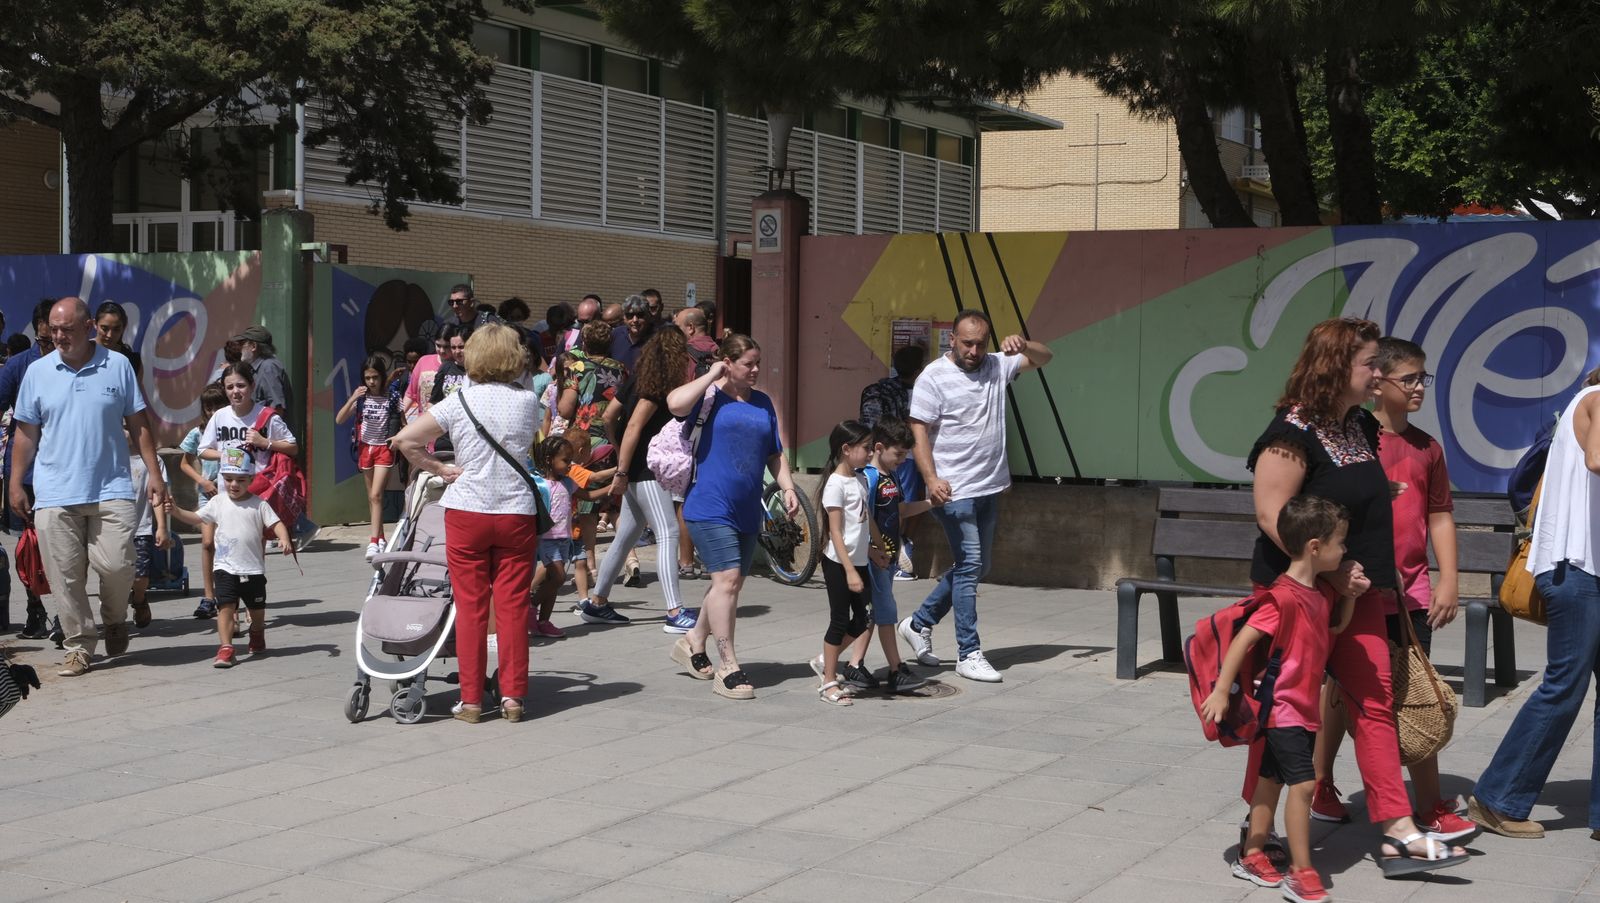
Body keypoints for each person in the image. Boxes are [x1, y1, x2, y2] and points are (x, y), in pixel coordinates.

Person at [1248, 316, 1467, 876]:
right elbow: (1272, 513)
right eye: (1370, 363)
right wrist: (1331, 567)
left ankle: (1396, 831)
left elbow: (1363, 494)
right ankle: (1258, 838)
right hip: (1298, 595)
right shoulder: (1291, 431)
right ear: (1335, 367)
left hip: (1361, 591)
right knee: (1286, 716)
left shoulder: (1360, 428)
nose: (1378, 373)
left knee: (1374, 701)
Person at [1310, 337, 1478, 841]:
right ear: (1377, 382)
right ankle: (1323, 786)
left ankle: (1427, 804)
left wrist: (1447, 578)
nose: (1419, 387)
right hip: (1354, 590)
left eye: (1422, 377)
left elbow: (1440, 514)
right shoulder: (1354, 444)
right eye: (1410, 378)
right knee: (1343, 688)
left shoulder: (1428, 448)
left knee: (1411, 691)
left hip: (1409, 596)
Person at [1204, 496, 1359, 901]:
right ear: (1314, 547)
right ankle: (1302, 872)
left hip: (1305, 710)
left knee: (1270, 780)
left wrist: (1352, 595)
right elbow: (1243, 639)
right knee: (1305, 785)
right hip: (1282, 710)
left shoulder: (1320, 593)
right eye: (1340, 543)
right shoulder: (1282, 597)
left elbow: (1336, 628)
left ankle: (1252, 852)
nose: (1344, 551)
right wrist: (1222, 690)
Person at [1470, 364, 1600, 841]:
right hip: (1575, 567)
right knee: (1565, 685)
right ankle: (1497, 797)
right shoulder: (1598, 397)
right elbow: (1597, 459)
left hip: (1590, 568)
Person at [391, 323, 541, 724]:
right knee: (511, 606)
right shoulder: (529, 402)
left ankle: (471, 700)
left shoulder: (458, 402)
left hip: (467, 509)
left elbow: (404, 441)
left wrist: (439, 466)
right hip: (515, 511)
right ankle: (512, 697)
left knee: (471, 606)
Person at [9, 297, 167, 678]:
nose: (57, 336)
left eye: (66, 329)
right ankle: (79, 644)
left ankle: (114, 619)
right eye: (52, 329)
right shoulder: (38, 372)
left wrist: (156, 475)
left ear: (89, 325)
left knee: (117, 565)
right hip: (54, 491)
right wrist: (14, 482)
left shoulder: (118, 366)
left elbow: (139, 423)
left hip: (111, 486)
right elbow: (26, 433)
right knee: (65, 576)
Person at [896, 310, 1052, 683]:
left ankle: (918, 625)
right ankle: (969, 652)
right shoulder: (933, 377)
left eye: (981, 343)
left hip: (989, 486)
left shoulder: (998, 365)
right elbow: (918, 432)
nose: (974, 350)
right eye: (967, 343)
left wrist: (1024, 343)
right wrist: (930, 479)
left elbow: (1046, 357)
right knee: (970, 565)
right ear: (952, 339)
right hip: (953, 491)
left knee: (977, 567)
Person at [667, 334, 800, 700]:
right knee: (726, 580)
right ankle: (728, 664)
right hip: (708, 504)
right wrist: (712, 375)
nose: (756, 370)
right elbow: (675, 404)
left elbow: (775, 453)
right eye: (748, 364)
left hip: (746, 507)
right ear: (728, 362)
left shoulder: (762, 403)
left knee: (731, 583)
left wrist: (787, 487)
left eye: (758, 363)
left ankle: (694, 639)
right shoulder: (709, 397)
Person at [589, 327, 695, 633]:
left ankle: (597, 603)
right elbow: (634, 425)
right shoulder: (657, 386)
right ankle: (674, 611)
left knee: (627, 535)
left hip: (637, 466)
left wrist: (622, 454)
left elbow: (609, 417)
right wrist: (622, 470)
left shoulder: (637, 379)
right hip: (649, 468)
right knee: (668, 531)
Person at [167, 448, 291, 668]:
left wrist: (284, 539)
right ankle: (226, 648)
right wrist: (176, 511)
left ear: (251, 478)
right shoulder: (218, 502)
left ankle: (257, 631)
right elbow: (196, 517)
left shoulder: (259, 504)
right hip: (224, 567)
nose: (234, 484)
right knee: (225, 606)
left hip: (252, 569)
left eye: (241, 480)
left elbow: (276, 523)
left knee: (257, 611)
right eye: (229, 479)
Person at [840, 418, 930, 694]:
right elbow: (860, 520)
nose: (903, 460)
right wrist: (872, 551)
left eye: (906, 454)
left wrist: (930, 503)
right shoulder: (868, 477)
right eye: (899, 454)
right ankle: (895, 669)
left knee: (872, 615)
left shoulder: (892, 476)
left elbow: (900, 511)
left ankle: (849, 663)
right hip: (873, 559)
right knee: (887, 613)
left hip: (886, 558)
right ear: (879, 447)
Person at [809, 420, 887, 706]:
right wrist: (851, 570)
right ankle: (829, 683)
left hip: (858, 562)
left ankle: (823, 661)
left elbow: (866, 521)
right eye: (866, 448)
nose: (870, 453)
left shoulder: (860, 479)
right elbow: (837, 534)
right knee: (840, 620)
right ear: (846, 449)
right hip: (838, 564)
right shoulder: (835, 485)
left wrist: (875, 548)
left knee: (865, 618)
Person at [527, 435, 612, 638]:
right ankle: (529, 605)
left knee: (553, 583)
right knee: (558, 577)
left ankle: (544, 621)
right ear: (549, 459)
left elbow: (589, 496)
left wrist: (611, 488)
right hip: (546, 539)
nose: (569, 465)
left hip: (564, 539)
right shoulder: (538, 484)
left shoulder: (568, 483)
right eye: (565, 460)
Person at [4, 299, 55, 641]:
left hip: (67, 472)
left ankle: (67, 614)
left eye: (54, 337)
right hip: (28, 472)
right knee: (29, 546)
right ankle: (35, 612)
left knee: (66, 544)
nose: (50, 345)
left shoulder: (81, 364)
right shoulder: (20, 365)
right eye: (43, 339)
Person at [860, 343, 929, 579]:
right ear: (919, 369)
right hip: (907, 457)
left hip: (880, 456)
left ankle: (893, 550)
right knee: (904, 503)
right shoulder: (919, 391)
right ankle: (901, 549)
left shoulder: (877, 389)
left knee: (893, 504)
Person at [336, 353, 403, 561]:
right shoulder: (362, 398)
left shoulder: (392, 397)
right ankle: (381, 537)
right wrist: (353, 398)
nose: (372, 382)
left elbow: (403, 422)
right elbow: (339, 419)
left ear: (382, 377)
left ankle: (373, 542)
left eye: (375, 377)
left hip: (384, 448)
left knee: (376, 495)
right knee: (372, 498)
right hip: (365, 448)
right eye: (368, 378)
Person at [179, 384, 230, 619]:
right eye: (208, 407)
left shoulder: (232, 429)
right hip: (208, 494)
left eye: (217, 406)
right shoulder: (197, 432)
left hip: (231, 492)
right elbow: (184, 463)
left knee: (228, 544)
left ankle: (230, 596)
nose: (212, 411)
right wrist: (203, 481)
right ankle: (209, 596)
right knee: (208, 543)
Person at [126, 426, 171, 629]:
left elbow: (158, 498)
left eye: (129, 427)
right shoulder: (109, 459)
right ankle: (114, 619)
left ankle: (139, 599)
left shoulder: (153, 462)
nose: (126, 432)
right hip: (112, 528)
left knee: (141, 576)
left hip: (141, 527)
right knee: (110, 574)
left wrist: (161, 527)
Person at [93, 301, 143, 379]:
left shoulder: (132, 361)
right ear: (95, 324)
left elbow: (137, 390)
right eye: (104, 328)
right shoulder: (80, 353)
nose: (109, 335)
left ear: (124, 327)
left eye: (116, 329)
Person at [404, 333, 447, 421]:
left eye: (446, 346)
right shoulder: (423, 361)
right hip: (423, 425)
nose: (442, 350)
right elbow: (410, 395)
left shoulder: (457, 366)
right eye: (438, 345)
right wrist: (398, 417)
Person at [610, 294, 655, 373]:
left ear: (647, 316)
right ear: (624, 318)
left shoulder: (656, 338)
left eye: (640, 315)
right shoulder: (615, 334)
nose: (635, 320)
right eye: (630, 315)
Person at [429, 326, 472, 406]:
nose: (457, 351)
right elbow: (434, 400)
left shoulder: (477, 370)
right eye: (453, 347)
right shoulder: (445, 367)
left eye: (461, 347)